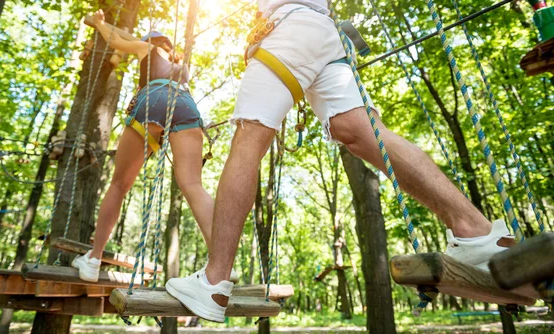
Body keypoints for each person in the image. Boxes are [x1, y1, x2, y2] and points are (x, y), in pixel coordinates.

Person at [165, 0, 515, 322]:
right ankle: (476, 233)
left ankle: (213, 281)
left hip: (289, 28)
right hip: (325, 33)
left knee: (249, 138)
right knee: (364, 133)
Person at [71, 9, 239, 284]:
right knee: (194, 185)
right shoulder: (181, 67)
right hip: (185, 105)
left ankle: (93, 258)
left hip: (153, 100)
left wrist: (101, 24)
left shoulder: (146, 47)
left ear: (152, 40)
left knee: (119, 185)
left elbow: (116, 40)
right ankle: (222, 263)